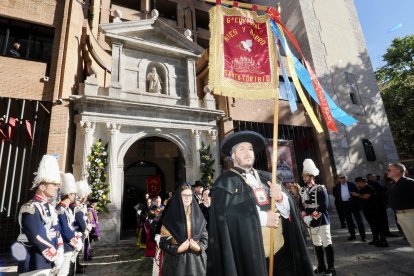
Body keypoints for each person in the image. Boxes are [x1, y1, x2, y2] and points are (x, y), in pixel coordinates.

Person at [207, 131, 313, 276]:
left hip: (281, 253)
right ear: (232, 155)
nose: (247, 152)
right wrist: (262, 219)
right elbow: (226, 219)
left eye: (250, 149)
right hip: (250, 260)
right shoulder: (224, 184)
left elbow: (290, 211)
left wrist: (281, 199)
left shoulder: (268, 178)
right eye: (242, 149)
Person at [14, 155, 63, 275]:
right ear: (42, 187)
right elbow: (35, 235)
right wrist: (53, 252)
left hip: (46, 259)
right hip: (34, 259)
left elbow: (56, 230)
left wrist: (60, 249)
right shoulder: (31, 207)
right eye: (53, 185)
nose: (57, 188)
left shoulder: (49, 207)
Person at [159, 184, 208, 275]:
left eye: (190, 195)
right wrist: (177, 249)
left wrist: (199, 247)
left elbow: (205, 239)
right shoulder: (170, 218)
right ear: (178, 197)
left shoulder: (198, 216)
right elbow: (163, 243)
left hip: (196, 262)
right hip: (176, 262)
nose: (187, 198)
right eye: (184, 195)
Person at [299, 159, 336, 275]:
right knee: (316, 244)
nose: (304, 178)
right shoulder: (303, 190)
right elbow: (301, 205)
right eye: (303, 176)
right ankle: (321, 266)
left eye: (306, 176)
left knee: (327, 243)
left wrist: (312, 217)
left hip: (322, 220)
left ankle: (331, 268)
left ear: (312, 176)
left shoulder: (320, 188)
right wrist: (304, 216)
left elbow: (324, 206)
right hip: (310, 221)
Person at [56, 173, 82, 276]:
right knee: (63, 271)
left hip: (70, 240)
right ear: (69, 194)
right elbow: (63, 228)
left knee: (67, 269)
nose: (75, 196)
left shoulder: (66, 208)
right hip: (66, 242)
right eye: (74, 194)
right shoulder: (60, 209)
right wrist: (73, 238)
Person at [351, 177, 389, 247]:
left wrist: (357, 195)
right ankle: (376, 239)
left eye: (357, 183)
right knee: (372, 225)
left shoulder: (369, 187)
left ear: (360, 182)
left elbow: (366, 196)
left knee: (379, 225)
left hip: (375, 210)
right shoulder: (362, 189)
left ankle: (383, 241)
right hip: (368, 210)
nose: (356, 184)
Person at [386, 163, 414, 248]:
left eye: (389, 170)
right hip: (400, 215)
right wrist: (398, 216)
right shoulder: (392, 184)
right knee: (411, 240)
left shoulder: (409, 182)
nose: (387, 171)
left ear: (398, 171)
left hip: (411, 215)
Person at [333, 174, 366, 241]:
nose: (343, 179)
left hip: (353, 204)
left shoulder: (351, 184)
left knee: (359, 220)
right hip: (344, 205)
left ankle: (363, 236)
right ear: (338, 179)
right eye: (341, 178)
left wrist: (355, 196)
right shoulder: (337, 186)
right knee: (348, 221)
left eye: (344, 177)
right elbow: (335, 195)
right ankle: (352, 235)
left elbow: (358, 192)